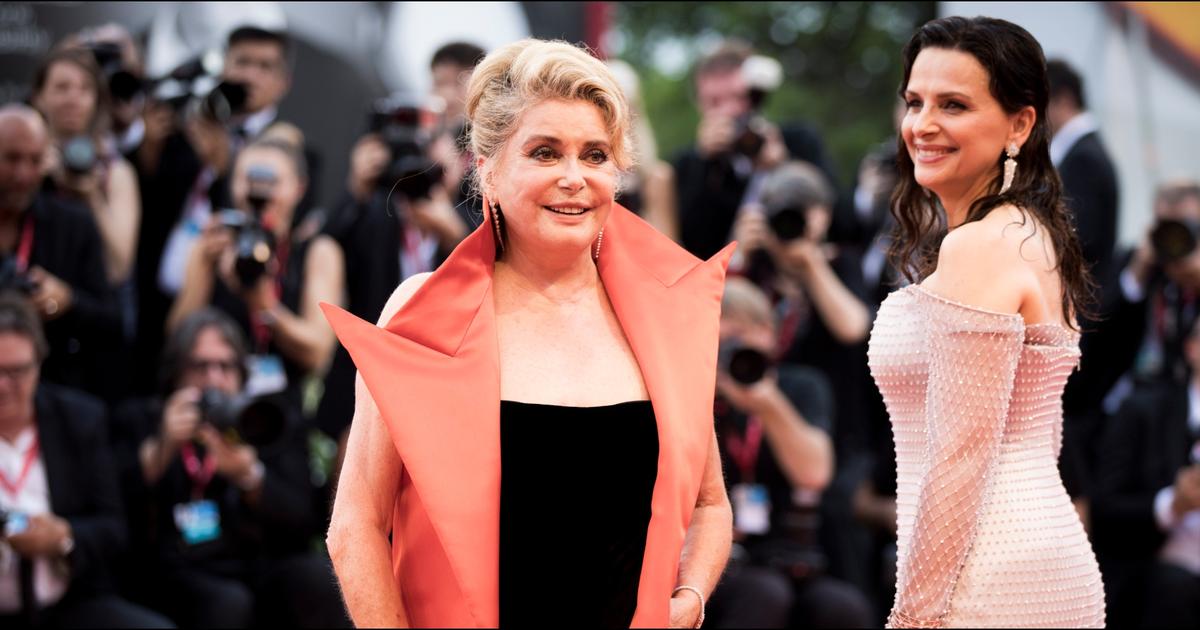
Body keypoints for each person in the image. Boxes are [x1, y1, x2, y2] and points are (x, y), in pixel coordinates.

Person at [322, 38, 733, 627]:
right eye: (545, 153)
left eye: (595, 155)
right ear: (487, 170)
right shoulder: (425, 312)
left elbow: (711, 503)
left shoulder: (672, 314)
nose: (574, 177)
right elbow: (355, 525)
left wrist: (690, 599)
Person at [867, 16, 1104, 627]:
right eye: (915, 102)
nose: (923, 124)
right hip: (1031, 556)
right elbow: (1041, 431)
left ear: (1019, 124)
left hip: (984, 576)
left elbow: (961, 455)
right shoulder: (1032, 234)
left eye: (954, 105)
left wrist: (914, 616)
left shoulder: (981, 247)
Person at [110, 308, 348, 628]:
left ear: (242, 375)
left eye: (225, 367)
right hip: (177, 571)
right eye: (200, 366)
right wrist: (161, 450)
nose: (214, 380)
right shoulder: (144, 420)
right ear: (176, 372)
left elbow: (306, 519)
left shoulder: (265, 421)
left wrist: (251, 478)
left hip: (252, 564)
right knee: (228, 603)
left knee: (317, 579)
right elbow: (116, 515)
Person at [707, 277, 873, 628]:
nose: (729, 353)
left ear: (768, 333)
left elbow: (814, 474)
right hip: (717, 558)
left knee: (844, 607)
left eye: (738, 339)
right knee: (764, 595)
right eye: (718, 343)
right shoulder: (694, 395)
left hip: (789, 553)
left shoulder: (801, 386)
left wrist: (767, 403)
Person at [0, 293, 171, 628]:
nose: (3, 385)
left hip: (66, 601)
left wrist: (63, 537)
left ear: (39, 364)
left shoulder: (79, 419)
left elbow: (113, 528)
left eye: (16, 371)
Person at [166, 136, 344, 419]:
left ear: (299, 188)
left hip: (282, 415)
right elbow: (177, 343)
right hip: (213, 407)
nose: (259, 192)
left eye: (271, 181)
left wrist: (264, 305)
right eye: (248, 179)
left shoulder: (316, 253)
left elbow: (318, 353)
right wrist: (204, 264)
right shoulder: (211, 246)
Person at [673, 40, 841, 261]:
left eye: (738, 97)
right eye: (714, 102)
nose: (729, 110)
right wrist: (705, 164)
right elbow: (692, 244)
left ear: (757, 96)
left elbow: (842, 221)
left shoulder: (799, 141)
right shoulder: (686, 165)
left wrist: (783, 166)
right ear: (699, 104)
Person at [0, 104, 120, 401]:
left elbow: (112, 323)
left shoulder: (73, 224)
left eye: (35, 160)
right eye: (11, 159)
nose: (23, 174)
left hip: (54, 392)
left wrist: (67, 301)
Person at [1092, 316, 1200, 629]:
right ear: (1191, 347)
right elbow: (1105, 507)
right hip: (1155, 578)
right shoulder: (1144, 410)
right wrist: (1172, 504)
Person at [30, 46, 141, 289]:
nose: (73, 99)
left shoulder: (116, 172)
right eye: (62, 87)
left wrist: (91, 196)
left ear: (96, 100)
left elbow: (119, 268)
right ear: (39, 96)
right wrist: (35, 180)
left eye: (85, 89)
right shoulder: (23, 164)